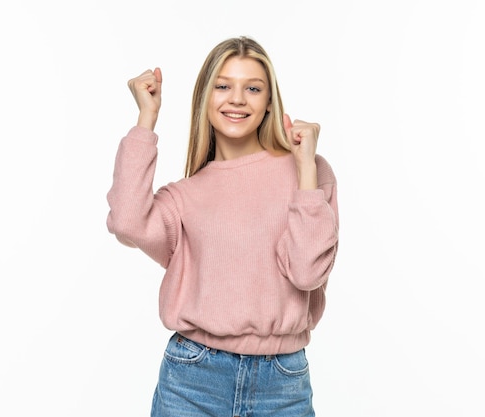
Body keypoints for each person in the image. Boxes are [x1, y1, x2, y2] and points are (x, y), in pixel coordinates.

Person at [106, 36, 339, 417]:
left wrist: (306, 170)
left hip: (283, 383)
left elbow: (307, 271)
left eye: (252, 88)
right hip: (192, 379)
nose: (237, 99)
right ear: (205, 98)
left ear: (268, 103)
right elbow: (127, 222)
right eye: (223, 86)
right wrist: (146, 119)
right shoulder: (184, 196)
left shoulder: (309, 172)